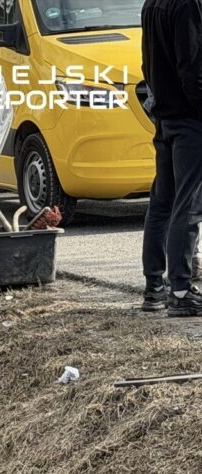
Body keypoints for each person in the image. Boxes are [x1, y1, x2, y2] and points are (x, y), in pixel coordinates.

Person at [140, 0, 202, 314]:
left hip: (165, 117)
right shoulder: (188, 5)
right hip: (189, 120)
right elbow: (192, 70)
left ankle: (154, 288)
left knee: (163, 202)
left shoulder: (154, 3)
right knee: (188, 204)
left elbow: (145, 65)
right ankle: (180, 291)